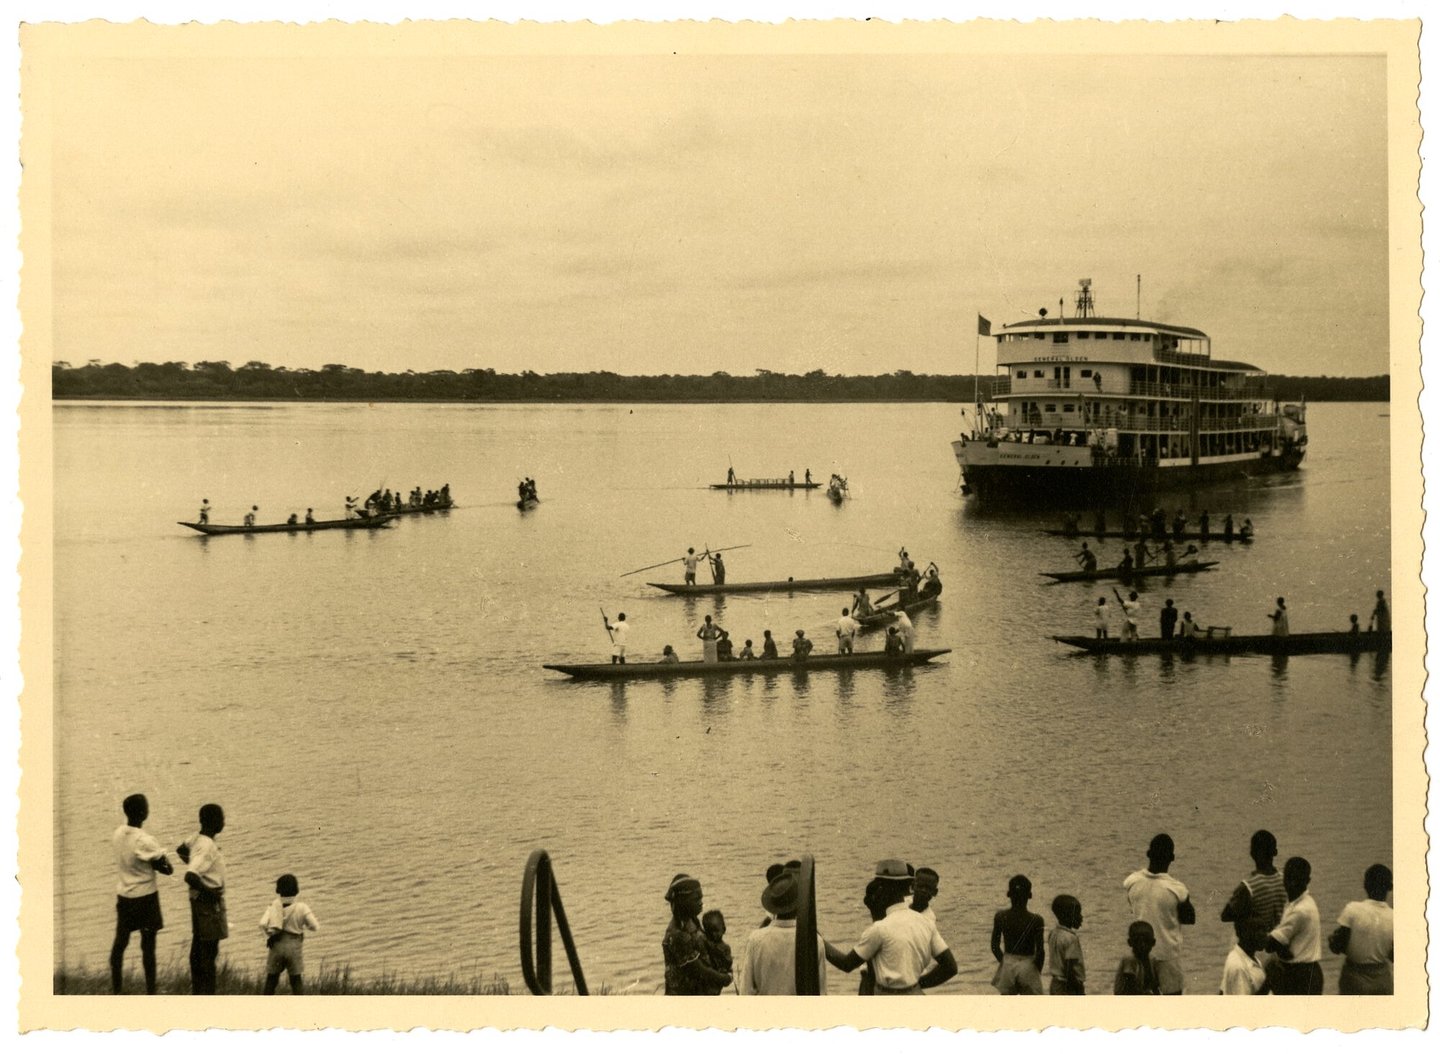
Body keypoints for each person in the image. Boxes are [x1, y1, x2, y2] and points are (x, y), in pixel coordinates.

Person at [824, 860, 957, 994]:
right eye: (919, 886)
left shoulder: (887, 926)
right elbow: (950, 967)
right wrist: (914, 986)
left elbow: (847, 964)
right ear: (910, 887)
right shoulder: (923, 922)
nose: (922, 891)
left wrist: (814, 935)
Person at [109, 793, 174, 995]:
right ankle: (150, 991)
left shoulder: (118, 833)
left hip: (125, 895)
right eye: (146, 807)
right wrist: (163, 859)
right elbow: (167, 869)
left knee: (120, 943)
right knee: (148, 947)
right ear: (143, 813)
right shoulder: (145, 840)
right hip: (145, 897)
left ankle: (117, 988)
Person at [1123, 833, 1195, 994]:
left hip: (1140, 954)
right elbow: (1190, 918)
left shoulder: (1131, 882)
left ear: (1148, 854)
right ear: (1172, 857)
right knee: (1171, 1005)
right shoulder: (1177, 889)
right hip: (1167, 954)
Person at [741, 869, 828, 995]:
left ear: (772, 906)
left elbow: (746, 990)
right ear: (799, 904)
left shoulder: (755, 939)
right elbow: (821, 991)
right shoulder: (814, 940)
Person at [178, 803, 228, 995]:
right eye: (221, 818)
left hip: (198, 901)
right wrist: (210, 892)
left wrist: (195, 865)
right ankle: (207, 993)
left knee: (199, 946)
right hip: (209, 903)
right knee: (209, 950)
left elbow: (181, 849)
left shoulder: (197, 838)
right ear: (214, 822)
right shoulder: (207, 846)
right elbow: (190, 875)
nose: (224, 821)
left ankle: (199, 991)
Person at [662, 875, 732, 995]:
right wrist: (725, 978)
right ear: (682, 902)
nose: (701, 903)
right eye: (696, 899)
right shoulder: (676, 934)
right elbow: (699, 970)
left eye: (701, 898)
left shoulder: (692, 920)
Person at [1330, 863, 1394, 995]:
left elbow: (1336, 947)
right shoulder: (1394, 917)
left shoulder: (1353, 909)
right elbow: (1394, 956)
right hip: (1382, 979)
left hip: (1354, 977)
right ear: (1390, 887)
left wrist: (1331, 939)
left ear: (1365, 885)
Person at [1267, 856, 1324, 995]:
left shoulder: (1300, 910)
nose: (1291, 884)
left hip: (1300, 976)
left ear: (1307, 881)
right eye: (1289, 878)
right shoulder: (1300, 902)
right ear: (1284, 878)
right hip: (1305, 972)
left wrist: (1279, 945)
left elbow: (1269, 945)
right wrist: (1280, 946)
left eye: (1296, 880)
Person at [1220, 830, 1288, 944]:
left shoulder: (1249, 886)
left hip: (1259, 944)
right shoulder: (1286, 880)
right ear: (1275, 852)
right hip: (1282, 943)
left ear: (1252, 853)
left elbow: (1226, 915)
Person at [259, 873, 320, 995]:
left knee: (271, 979)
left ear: (278, 890)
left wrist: (270, 935)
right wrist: (304, 926)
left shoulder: (273, 906)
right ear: (297, 890)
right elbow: (315, 927)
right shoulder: (302, 907)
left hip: (276, 946)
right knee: (296, 980)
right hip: (294, 946)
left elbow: (262, 924)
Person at [990, 875, 1045, 995]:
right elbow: (1040, 951)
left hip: (1008, 963)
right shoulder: (1036, 920)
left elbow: (994, 946)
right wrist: (1036, 970)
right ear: (1030, 895)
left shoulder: (1000, 916)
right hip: (1028, 964)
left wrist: (1004, 962)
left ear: (1008, 894)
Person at [1220, 919, 1271, 995]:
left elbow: (1222, 991)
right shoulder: (1239, 966)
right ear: (1245, 933)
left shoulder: (1247, 958)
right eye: (1259, 930)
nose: (1265, 935)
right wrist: (1269, 982)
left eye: (1265, 930)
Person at [1047, 895, 1085, 995]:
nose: (1081, 917)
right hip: (1068, 986)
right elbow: (1069, 968)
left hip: (1055, 983)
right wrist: (1078, 989)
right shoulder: (1071, 938)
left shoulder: (1053, 933)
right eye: (1077, 914)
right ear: (1067, 916)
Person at [1113, 921, 1162, 995]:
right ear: (1130, 942)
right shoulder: (1129, 959)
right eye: (1137, 942)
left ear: (1153, 942)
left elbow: (1155, 986)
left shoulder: (1152, 960)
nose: (1142, 946)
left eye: (1146, 941)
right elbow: (1130, 988)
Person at [699, 911, 733, 996]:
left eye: (716, 931)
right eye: (710, 932)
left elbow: (728, 965)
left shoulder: (725, 948)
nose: (714, 934)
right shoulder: (705, 942)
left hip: (718, 982)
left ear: (724, 929)